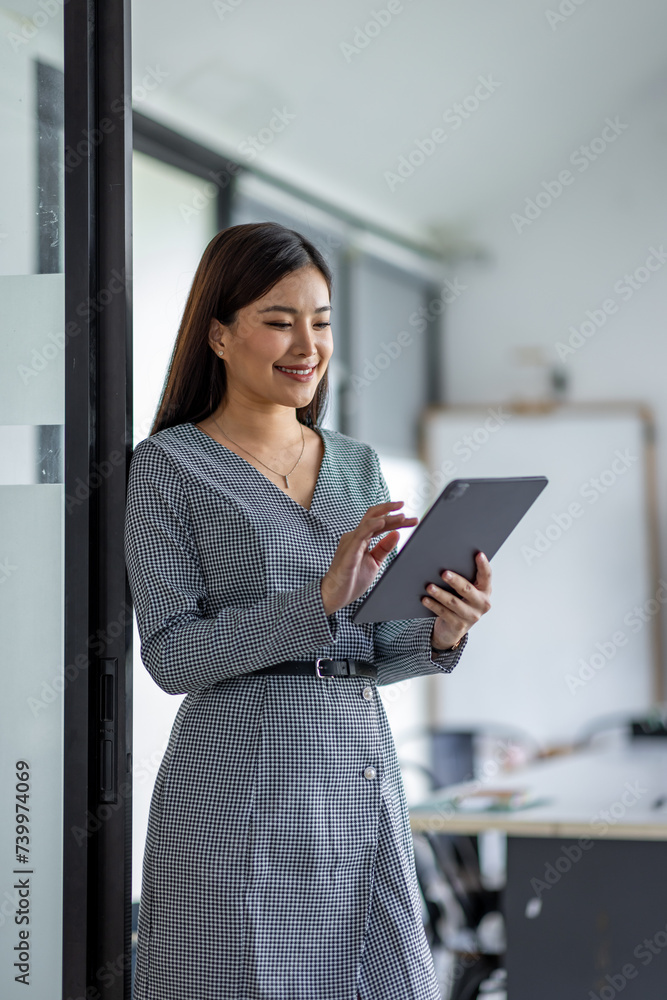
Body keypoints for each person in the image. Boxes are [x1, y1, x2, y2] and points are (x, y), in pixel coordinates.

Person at [124, 221, 492, 1000]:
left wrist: (440, 632)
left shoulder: (355, 463)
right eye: (278, 320)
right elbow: (170, 655)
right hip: (236, 788)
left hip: (357, 775)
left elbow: (370, 646)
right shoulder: (167, 467)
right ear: (218, 335)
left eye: (321, 322)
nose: (306, 344)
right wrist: (319, 599)